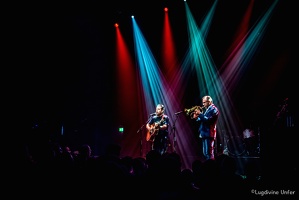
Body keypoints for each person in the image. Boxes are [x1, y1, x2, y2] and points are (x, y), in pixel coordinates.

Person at [192, 95, 219, 160]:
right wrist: (196, 118)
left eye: (204, 102)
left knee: (209, 153)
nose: (203, 104)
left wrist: (200, 114)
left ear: (209, 102)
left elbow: (208, 120)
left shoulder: (213, 109)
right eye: (203, 102)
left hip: (209, 133)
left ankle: (211, 168)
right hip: (204, 133)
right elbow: (203, 120)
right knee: (205, 153)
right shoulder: (207, 110)